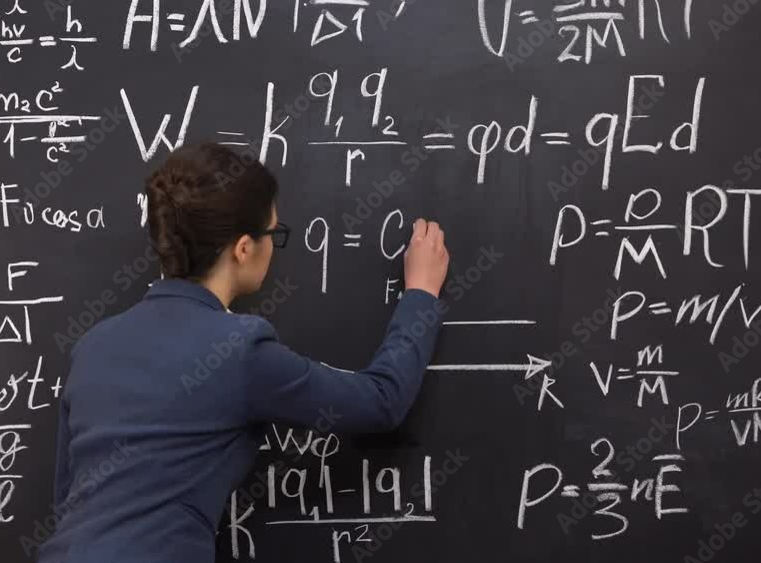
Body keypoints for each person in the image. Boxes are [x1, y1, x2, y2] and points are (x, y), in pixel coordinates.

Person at [35, 141, 450, 563]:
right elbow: (380, 403)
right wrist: (420, 294)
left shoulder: (94, 345)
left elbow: (69, 496)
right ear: (244, 248)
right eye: (274, 233)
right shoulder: (239, 351)